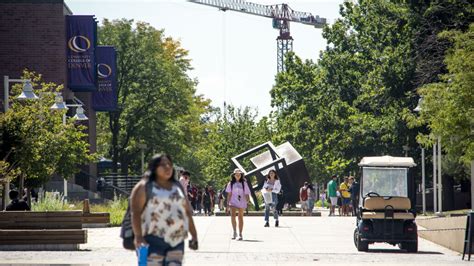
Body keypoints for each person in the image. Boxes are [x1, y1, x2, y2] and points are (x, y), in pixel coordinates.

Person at [130, 154, 198, 265]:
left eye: (169, 165)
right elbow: (136, 213)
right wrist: (138, 236)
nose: (167, 167)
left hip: (176, 240)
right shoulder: (144, 186)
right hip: (152, 240)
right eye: (163, 165)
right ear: (154, 167)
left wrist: (194, 235)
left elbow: (186, 212)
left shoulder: (177, 186)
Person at [226, 168, 250, 240]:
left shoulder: (244, 183)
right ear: (234, 175)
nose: (238, 175)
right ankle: (234, 232)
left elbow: (247, 193)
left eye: (239, 174)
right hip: (233, 201)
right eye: (236, 174)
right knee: (233, 216)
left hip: (242, 201)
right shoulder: (230, 183)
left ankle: (240, 234)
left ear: (241, 175)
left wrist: (247, 200)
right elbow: (229, 194)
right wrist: (227, 204)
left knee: (240, 217)